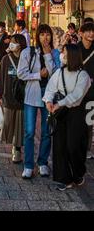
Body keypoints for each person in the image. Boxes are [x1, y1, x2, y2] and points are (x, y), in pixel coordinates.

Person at [43, 44, 91, 191]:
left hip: (76, 113)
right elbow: (50, 88)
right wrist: (49, 101)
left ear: (72, 56)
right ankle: (65, 179)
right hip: (61, 113)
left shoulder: (83, 75)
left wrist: (59, 104)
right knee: (59, 145)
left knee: (73, 145)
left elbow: (77, 96)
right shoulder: (59, 72)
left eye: (63, 53)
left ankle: (78, 173)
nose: (61, 56)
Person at [17, 23, 56, 179]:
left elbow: (55, 74)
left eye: (48, 34)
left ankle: (42, 162)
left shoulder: (55, 53)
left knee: (47, 132)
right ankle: (28, 165)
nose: (45, 38)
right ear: (37, 36)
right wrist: (38, 75)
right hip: (31, 95)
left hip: (49, 96)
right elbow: (21, 73)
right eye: (42, 34)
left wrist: (48, 55)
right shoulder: (28, 52)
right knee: (29, 132)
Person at [0, 34, 27, 163]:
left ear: (20, 44)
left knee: (20, 125)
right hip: (8, 97)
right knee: (9, 122)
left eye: (14, 42)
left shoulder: (27, 58)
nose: (11, 44)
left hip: (22, 98)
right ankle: (13, 144)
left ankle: (17, 149)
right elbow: (1, 78)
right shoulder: (5, 59)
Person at [77, 22, 94, 160]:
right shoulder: (75, 50)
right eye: (88, 31)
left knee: (89, 122)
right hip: (76, 93)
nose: (91, 34)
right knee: (77, 121)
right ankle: (76, 145)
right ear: (81, 33)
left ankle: (87, 149)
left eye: (93, 31)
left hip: (92, 93)